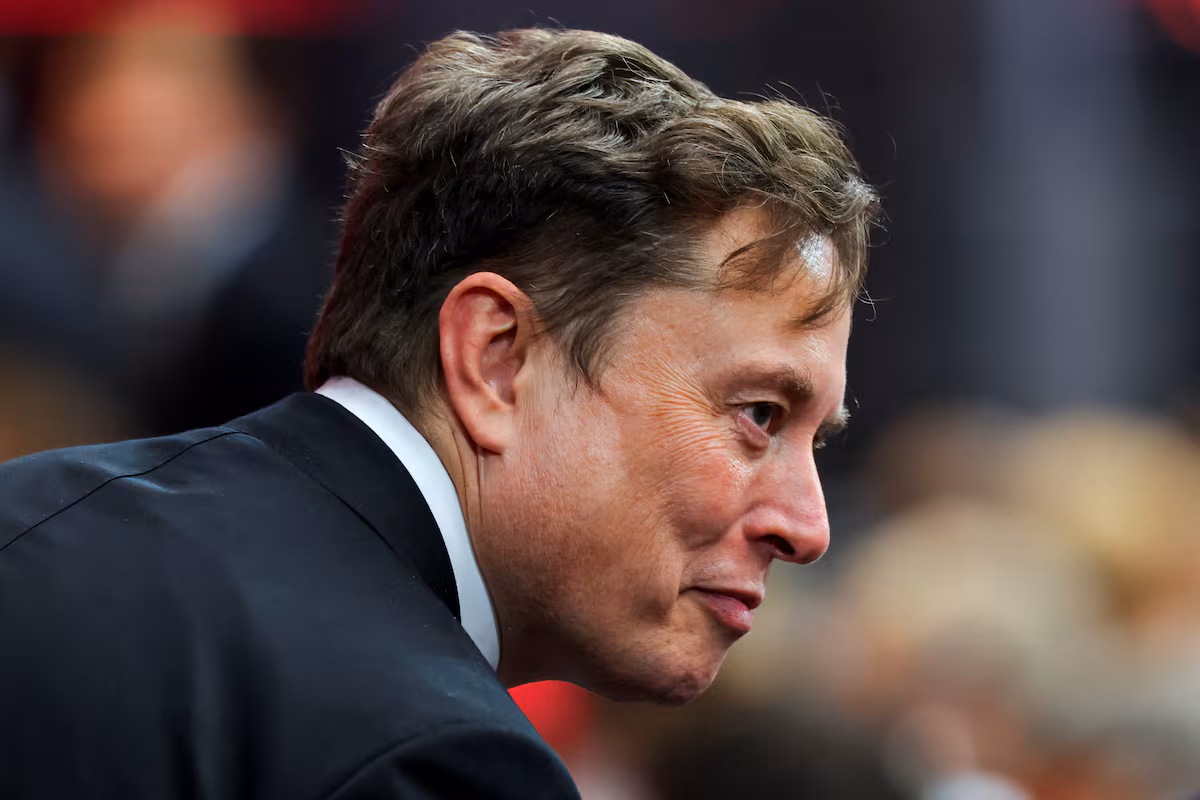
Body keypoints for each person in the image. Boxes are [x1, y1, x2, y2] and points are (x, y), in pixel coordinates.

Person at [0, 27, 878, 799]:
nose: (808, 527)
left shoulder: (29, 516)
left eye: (814, 437)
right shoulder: (438, 759)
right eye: (760, 413)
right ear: (496, 358)